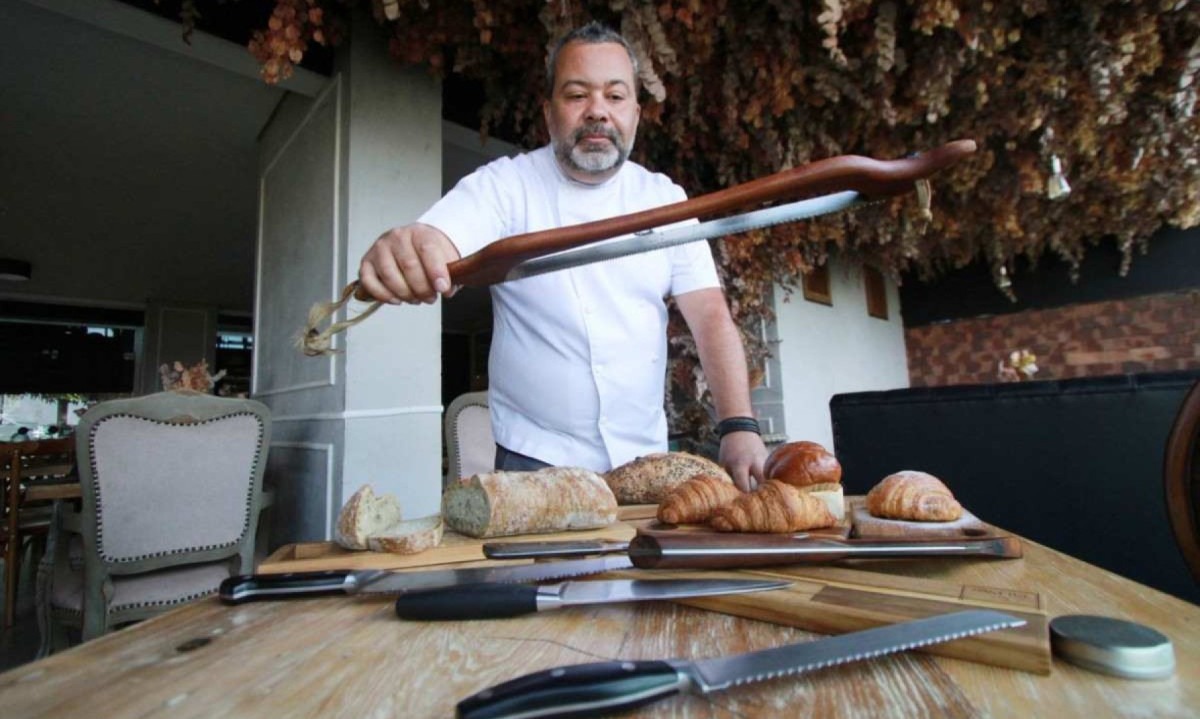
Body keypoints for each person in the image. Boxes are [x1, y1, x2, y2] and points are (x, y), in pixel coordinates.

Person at [358, 22, 768, 491]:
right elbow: (439, 238)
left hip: (647, 457)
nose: (597, 111)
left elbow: (711, 316)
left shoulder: (667, 200)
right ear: (549, 113)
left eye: (615, 97)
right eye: (577, 95)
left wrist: (739, 425)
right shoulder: (504, 186)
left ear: (636, 112)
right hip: (534, 463)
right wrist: (409, 248)